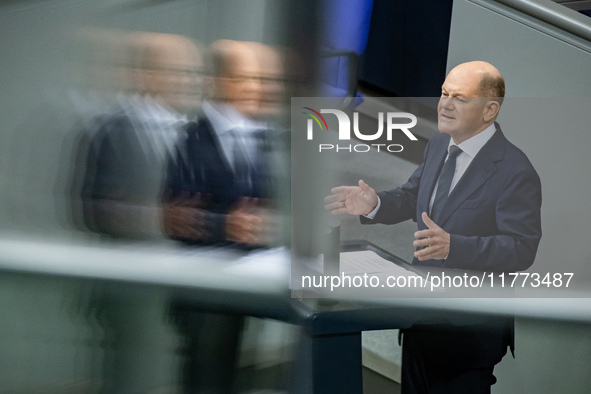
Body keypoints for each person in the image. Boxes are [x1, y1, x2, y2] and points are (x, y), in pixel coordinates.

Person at [325, 61, 542, 393]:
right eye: (443, 93)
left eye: (459, 97)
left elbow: (521, 247)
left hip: (467, 335)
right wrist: (376, 204)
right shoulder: (440, 144)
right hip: (420, 319)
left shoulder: (515, 171)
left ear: (489, 110)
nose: (445, 104)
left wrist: (455, 246)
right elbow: (416, 195)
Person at [163, 40, 278, 394]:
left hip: (246, 277)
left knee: (232, 370)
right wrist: (225, 225)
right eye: (244, 78)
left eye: (259, 79)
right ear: (218, 81)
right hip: (204, 282)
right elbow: (174, 216)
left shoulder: (259, 138)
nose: (254, 88)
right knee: (206, 375)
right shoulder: (190, 140)